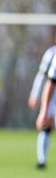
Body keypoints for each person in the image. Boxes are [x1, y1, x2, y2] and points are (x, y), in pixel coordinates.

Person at [32, 36, 56, 170]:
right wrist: (43, 111)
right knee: (46, 125)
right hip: (54, 97)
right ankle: (42, 160)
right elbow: (47, 81)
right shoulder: (52, 54)